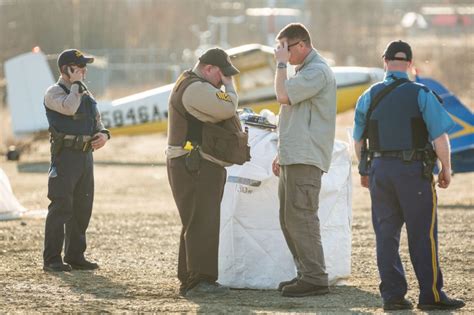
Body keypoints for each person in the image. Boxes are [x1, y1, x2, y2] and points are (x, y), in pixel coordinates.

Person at [353, 40, 465, 311]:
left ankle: (392, 296)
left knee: (386, 236)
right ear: (411, 64)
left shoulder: (368, 95)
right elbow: (440, 136)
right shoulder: (421, 93)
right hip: (413, 173)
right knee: (422, 235)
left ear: (385, 61)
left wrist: (365, 169)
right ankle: (431, 295)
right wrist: (446, 169)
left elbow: (357, 140)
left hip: (380, 171)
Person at [166, 47, 241, 297]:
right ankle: (200, 282)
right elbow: (228, 108)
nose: (224, 80)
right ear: (208, 68)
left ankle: (190, 277)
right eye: (222, 75)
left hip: (191, 162)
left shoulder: (190, 82)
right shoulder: (196, 88)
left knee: (196, 219)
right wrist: (230, 88)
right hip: (195, 163)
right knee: (202, 220)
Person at [272, 23, 336, 297]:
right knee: (288, 218)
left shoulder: (317, 71)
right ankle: (305, 273)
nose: (282, 53)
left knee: (302, 217)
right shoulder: (305, 72)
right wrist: (281, 153)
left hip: (306, 157)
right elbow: (294, 116)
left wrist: (280, 66)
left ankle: (315, 276)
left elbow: (283, 96)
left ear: (301, 45)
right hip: (294, 155)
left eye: (285, 48)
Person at [43, 49, 110, 272]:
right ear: (66, 70)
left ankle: (75, 256)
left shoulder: (84, 91)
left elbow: (97, 120)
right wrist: (75, 85)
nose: (84, 70)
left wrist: (104, 134)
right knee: (61, 206)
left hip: (85, 156)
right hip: (65, 157)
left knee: (83, 207)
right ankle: (52, 259)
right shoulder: (54, 92)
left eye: (84, 67)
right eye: (78, 67)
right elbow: (69, 108)